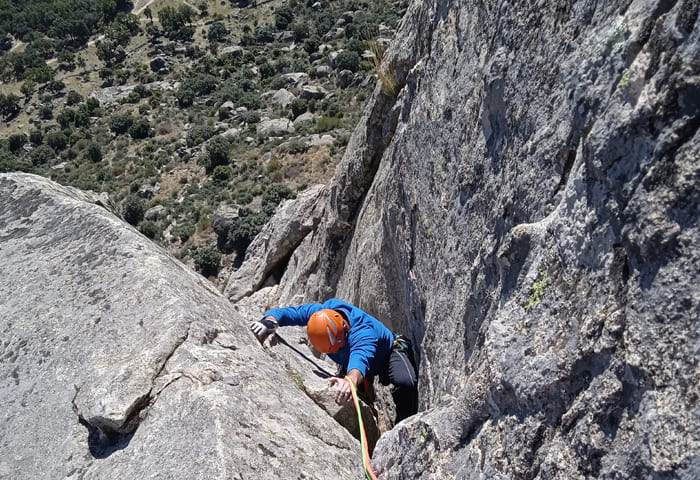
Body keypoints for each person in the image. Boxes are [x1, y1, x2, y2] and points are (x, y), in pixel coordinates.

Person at [250, 298, 418, 423]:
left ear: (345, 328)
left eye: (338, 348)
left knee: (406, 382)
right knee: (354, 402)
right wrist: (270, 321)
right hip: (354, 362)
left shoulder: (363, 333)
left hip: (388, 351)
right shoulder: (321, 314)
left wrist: (349, 381)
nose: (336, 352)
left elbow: (360, 359)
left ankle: (405, 426)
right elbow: (289, 313)